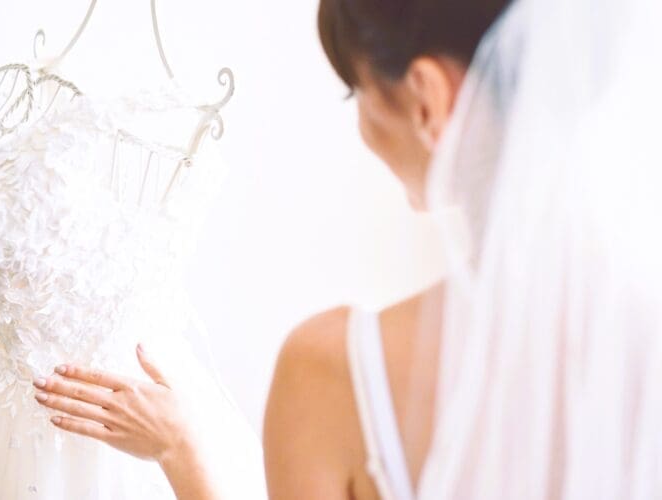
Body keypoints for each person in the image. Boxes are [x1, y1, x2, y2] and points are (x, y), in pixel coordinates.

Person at [36, 0, 662, 497]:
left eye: (356, 91)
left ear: (427, 100)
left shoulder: (335, 375)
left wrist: (182, 449)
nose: (361, 121)